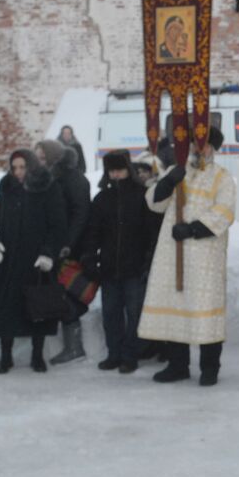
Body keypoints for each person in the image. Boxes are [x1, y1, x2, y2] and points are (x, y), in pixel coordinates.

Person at [139, 127, 235, 386]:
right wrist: (169, 181)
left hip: (204, 255)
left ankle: (210, 368)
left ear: (213, 148)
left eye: (203, 145)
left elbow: (225, 212)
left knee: (205, 311)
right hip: (174, 253)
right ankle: (178, 364)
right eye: (194, 144)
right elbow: (153, 202)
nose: (198, 150)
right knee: (176, 306)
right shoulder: (177, 172)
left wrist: (192, 228)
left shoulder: (222, 177)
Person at [77, 150, 160, 374]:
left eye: (119, 170)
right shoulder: (102, 199)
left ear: (128, 170)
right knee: (111, 313)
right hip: (109, 266)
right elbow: (93, 232)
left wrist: (148, 261)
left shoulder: (142, 196)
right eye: (111, 171)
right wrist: (90, 257)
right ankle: (114, 353)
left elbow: (151, 232)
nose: (115, 175)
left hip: (134, 266)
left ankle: (130, 355)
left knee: (134, 314)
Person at [0, 148, 67, 374]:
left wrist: (48, 253)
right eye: (15, 168)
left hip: (35, 260)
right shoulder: (6, 189)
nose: (18, 172)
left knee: (37, 309)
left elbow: (58, 225)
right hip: (10, 260)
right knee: (7, 310)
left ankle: (37, 355)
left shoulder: (48, 189)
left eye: (23, 167)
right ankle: (5, 356)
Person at [36, 138, 92, 365]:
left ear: (52, 157)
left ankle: (74, 346)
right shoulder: (46, 177)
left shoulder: (73, 178)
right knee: (53, 291)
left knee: (67, 293)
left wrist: (67, 244)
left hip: (70, 247)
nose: (38, 162)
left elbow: (80, 214)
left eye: (42, 157)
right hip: (51, 245)